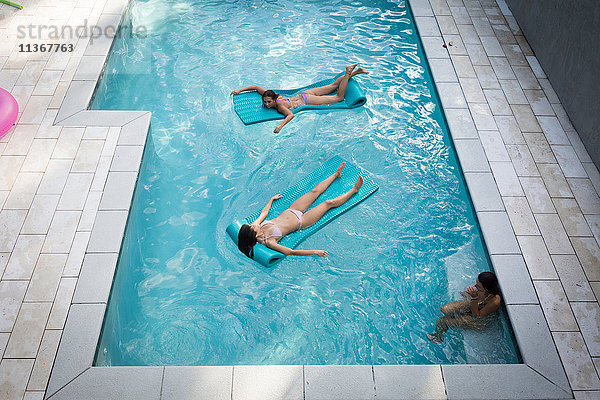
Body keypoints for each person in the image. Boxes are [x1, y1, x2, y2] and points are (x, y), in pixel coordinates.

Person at [237, 162, 363, 258]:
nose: (253, 224)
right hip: (302, 221)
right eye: (253, 227)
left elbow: (264, 213)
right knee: (328, 203)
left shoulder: (255, 226)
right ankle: (354, 190)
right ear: (254, 234)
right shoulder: (269, 242)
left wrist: (270, 200)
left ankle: (336, 174)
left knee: (314, 192)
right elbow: (291, 252)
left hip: (292, 209)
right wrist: (315, 252)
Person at [231, 63, 369, 133]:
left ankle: (348, 72)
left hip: (307, 100)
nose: (266, 104)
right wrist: (239, 90)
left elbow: (290, 115)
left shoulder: (280, 106)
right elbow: (256, 87)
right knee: (333, 85)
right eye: (265, 102)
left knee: (339, 97)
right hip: (304, 94)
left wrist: (280, 125)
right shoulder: (272, 95)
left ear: (273, 100)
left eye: (268, 102)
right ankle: (356, 71)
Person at [426, 272, 501, 344]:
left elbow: (477, 315)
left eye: (478, 286)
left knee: (441, 321)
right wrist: (469, 293)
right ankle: (453, 317)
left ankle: (438, 338)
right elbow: (476, 298)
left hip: (479, 320)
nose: (475, 286)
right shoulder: (482, 290)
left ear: (486, 289)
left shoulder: (494, 301)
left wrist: (474, 298)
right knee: (445, 309)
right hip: (475, 304)